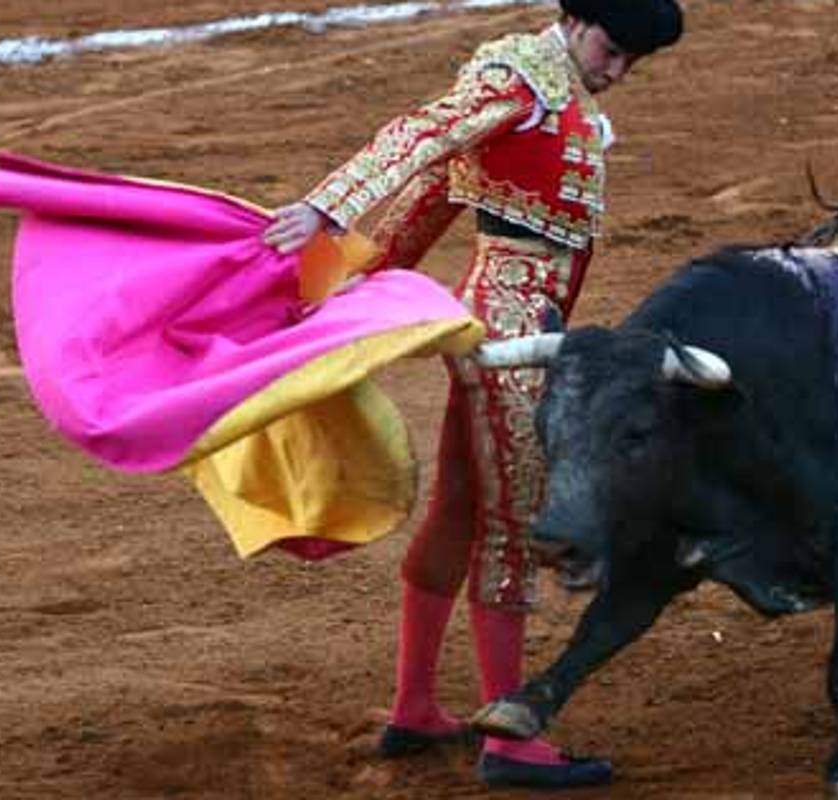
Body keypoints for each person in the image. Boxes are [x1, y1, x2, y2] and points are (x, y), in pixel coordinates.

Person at [263, 0, 683, 788]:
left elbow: (442, 191)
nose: (616, 70)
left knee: (461, 507)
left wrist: (365, 274)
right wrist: (328, 210)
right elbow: (425, 136)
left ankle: (416, 707)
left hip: (506, 320)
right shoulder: (520, 80)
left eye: (634, 61)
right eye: (611, 47)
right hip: (510, 332)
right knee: (517, 524)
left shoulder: (553, 90)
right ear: (576, 15)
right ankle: (510, 737)